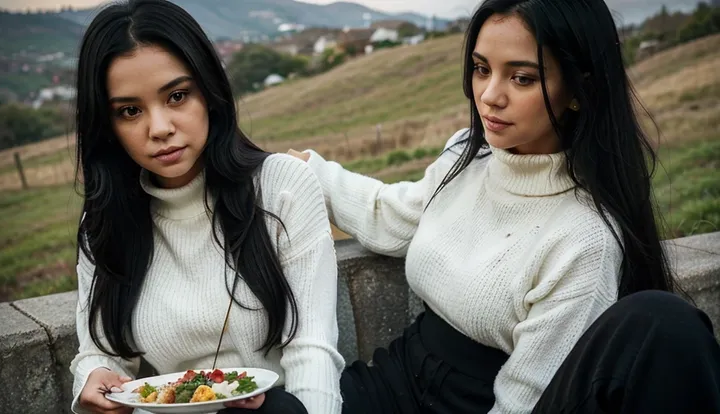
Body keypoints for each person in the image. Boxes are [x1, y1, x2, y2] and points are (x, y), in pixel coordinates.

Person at [289, 0, 720, 412]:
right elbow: (390, 215)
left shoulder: (584, 239)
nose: (490, 96)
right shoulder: (467, 156)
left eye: (522, 78)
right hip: (393, 382)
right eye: (481, 69)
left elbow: (523, 400)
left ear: (576, 88)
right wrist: (306, 171)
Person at [68, 1, 344, 413]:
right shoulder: (104, 223)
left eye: (177, 96)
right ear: (107, 126)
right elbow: (102, 353)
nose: (159, 128)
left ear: (209, 93)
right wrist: (91, 376)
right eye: (130, 111)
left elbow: (313, 351)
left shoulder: (281, 186)